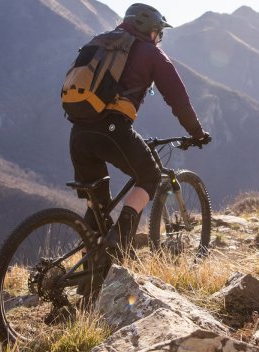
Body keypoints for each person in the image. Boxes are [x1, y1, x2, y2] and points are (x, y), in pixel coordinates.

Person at [68, 3, 210, 259]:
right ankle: (119, 241)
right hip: (111, 130)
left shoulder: (101, 43)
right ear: (150, 29)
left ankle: (91, 275)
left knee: (97, 204)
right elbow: (178, 99)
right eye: (159, 32)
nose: (160, 38)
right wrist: (197, 132)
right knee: (150, 176)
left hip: (78, 132)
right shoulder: (151, 53)